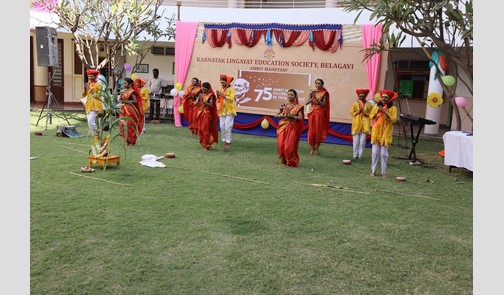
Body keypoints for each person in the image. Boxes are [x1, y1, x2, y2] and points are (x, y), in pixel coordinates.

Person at [369, 89, 398, 178]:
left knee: (383, 154)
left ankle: (383, 172)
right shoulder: (377, 106)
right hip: (376, 131)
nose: (384, 99)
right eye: (383, 97)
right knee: (374, 153)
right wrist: (377, 112)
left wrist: (385, 113)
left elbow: (394, 120)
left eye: (386, 97)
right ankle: (373, 171)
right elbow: (371, 117)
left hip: (386, 132)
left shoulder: (393, 108)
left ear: (389, 99)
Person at [275, 89, 304, 167]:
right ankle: (283, 161)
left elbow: (300, 117)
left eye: (291, 95)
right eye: (288, 94)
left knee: (289, 146)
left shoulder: (298, 107)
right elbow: (276, 115)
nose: (289, 96)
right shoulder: (284, 106)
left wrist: (291, 116)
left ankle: (291, 162)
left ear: (295, 97)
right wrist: (280, 114)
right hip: (283, 127)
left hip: (292, 127)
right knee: (281, 145)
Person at [306, 78, 330, 155]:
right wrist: (313, 97)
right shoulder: (313, 92)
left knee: (317, 130)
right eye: (316, 83)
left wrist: (317, 99)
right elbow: (307, 102)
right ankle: (312, 148)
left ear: (322, 85)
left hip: (319, 112)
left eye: (319, 83)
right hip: (312, 112)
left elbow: (323, 104)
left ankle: (317, 148)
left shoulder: (324, 93)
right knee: (311, 130)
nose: (317, 85)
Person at [81, 69, 104, 151]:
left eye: (92, 76)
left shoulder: (98, 84)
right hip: (88, 105)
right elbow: (85, 94)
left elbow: (97, 95)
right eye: (89, 76)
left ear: (95, 76)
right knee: (89, 123)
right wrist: (85, 88)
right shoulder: (89, 83)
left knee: (91, 121)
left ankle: (96, 135)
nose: (90, 77)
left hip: (96, 105)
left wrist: (89, 88)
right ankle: (95, 139)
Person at [119, 77, 143, 146]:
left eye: (125, 83)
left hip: (130, 110)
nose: (123, 84)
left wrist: (128, 101)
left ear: (129, 84)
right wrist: (121, 100)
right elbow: (120, 99)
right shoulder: (122, 91)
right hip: (123, 109)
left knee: (129, 124)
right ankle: (126, 140)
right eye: (123, 83)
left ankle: (131, 141)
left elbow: (135, 101)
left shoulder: (132, 92)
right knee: (121, 124)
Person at [194, 82, 219, 151]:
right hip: (200, 114)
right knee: (200, 129)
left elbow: (211, 105)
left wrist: (204, 101)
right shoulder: (201, 95)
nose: (203, 90)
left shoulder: (211, 96)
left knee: (205, 129)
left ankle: (206, 145)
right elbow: (195, 104)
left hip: (207, 114)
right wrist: (197, 99)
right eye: (202, 89)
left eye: (205, 89)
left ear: (208, 89)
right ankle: (203, 144)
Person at [350, 88, 373, 159]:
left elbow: (371, 114)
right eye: (360, 96)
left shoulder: (369, 104)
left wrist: (364, 113)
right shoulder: (355, 103)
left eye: (363, 96)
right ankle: (355, 155)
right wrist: (358, 112)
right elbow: (351, 112)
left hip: (365, 125)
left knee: (362, 141)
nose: (361, 97)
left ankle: (360, 155)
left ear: (365, 96)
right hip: (356, 124)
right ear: (358, 96)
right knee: (356, 141)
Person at [216, 74, 237, 151]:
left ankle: (228, 143)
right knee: (222, 127)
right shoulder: (221, 89)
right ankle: (225, 141)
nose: (222, 83)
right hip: (222, 110)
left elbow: (231, 98)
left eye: (223, 82)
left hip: (230, 110)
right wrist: (218, 95)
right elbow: (219, 99)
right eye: (221, 82)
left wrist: (221, 95)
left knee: (227, 127)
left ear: (227, 82)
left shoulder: (231, 89)